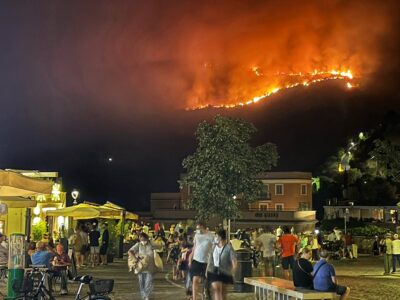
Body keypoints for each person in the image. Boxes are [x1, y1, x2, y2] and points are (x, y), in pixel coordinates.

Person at [128, 232, 162, 300]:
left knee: (148, 282)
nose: (143, 241)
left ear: (146, 238)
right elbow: (130, 251)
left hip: (150, 266)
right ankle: (143, 294)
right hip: (141, 267)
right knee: (141, 282)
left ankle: (147, 296)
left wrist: (152, 242)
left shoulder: (151, 244)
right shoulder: (138, 245)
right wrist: (135, 258)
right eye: (141, 239)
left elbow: (160, 247)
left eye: (144, 239)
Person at [206, 229, 237, 300]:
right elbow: (210, 260)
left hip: (225, 272)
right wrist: (207, 270)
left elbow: (234, 261)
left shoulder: (229, 248)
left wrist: (233, 270)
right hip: (214, 271)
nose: (215, 238)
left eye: (216, 236)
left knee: (223, 292)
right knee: (217, 289)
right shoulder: (213, 247)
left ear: (220, 237)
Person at [189, 221, 214, 300]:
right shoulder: (196, 235)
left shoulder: (211, 236)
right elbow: (194, 247)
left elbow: (213, 250)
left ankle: (205, 295)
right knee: (195, 280)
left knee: (206, 283)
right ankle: (194, 298)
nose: (198, 230)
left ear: (203, 227)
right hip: (196, 260)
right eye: (197, 228)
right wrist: (190, 257)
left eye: (199, 228)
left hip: (206, 261)